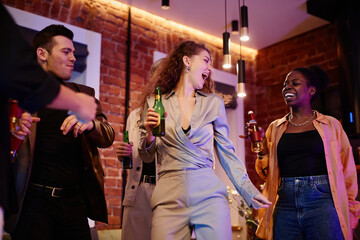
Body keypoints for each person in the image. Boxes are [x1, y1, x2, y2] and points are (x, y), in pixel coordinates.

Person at [138, 41, 271, 240]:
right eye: (206, 61)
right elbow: (146, 157)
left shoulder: (213, 103)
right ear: (186, 61)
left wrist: (248, 190)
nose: (210, 68)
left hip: (209, 194)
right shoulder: (155, 102)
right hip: (168, 196)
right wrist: (149, 135)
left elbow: (227, 152)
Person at [6, 24, 115, 240]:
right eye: (66, 51)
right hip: (33, 205)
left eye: (74, 52)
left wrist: (91, 124)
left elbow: (108, 134)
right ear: (42, 54)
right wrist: (13, 133)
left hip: (75, 205)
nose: (73, 57)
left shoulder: (83, 94)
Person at [255, 65, 360, 240]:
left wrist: (351, 212)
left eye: (294, 83)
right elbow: (267, 175)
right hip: (285, 202)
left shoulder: (331, 125)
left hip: (323, 201)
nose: (287, 87)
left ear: (311, 90)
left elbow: (347, 171)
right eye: (285, 84)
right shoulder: (274, 128)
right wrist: (261, 150)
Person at [116, 59, 163, 240]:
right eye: (158, 76)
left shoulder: (177, 115)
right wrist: (123, 155)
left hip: (166, 191)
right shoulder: (135, 115)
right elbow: (132, 159)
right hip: (137, 191)